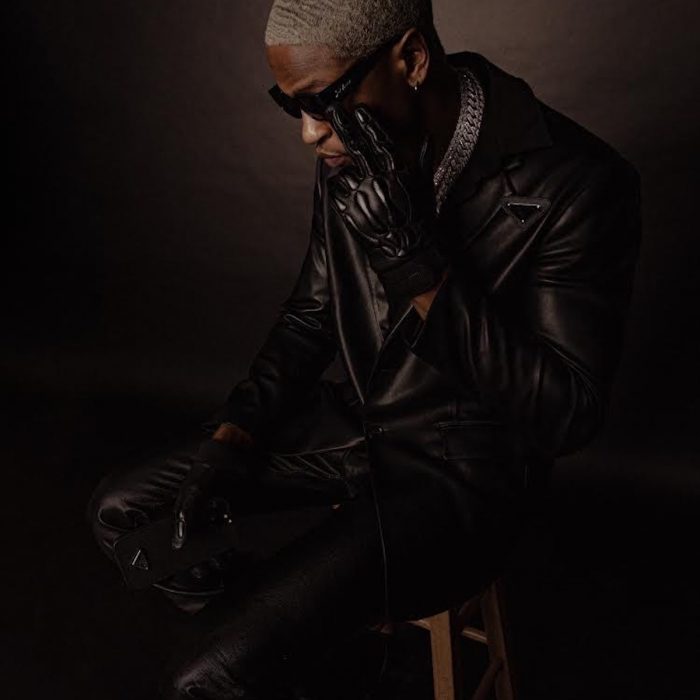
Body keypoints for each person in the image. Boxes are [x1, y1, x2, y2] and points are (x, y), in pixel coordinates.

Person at [86, 0, 642, 697]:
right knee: (124, 512)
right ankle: (330, 663)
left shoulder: (578, 183)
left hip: (463, 479)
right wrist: (235, 435)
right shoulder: (354, 144)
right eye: (292, 106)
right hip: (361, 426)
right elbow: (310, 317)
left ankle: (282, 650)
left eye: (324, 101)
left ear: (411, 59)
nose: (310, 132)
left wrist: (417, 265)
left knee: (205, 678)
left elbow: (566, 414)